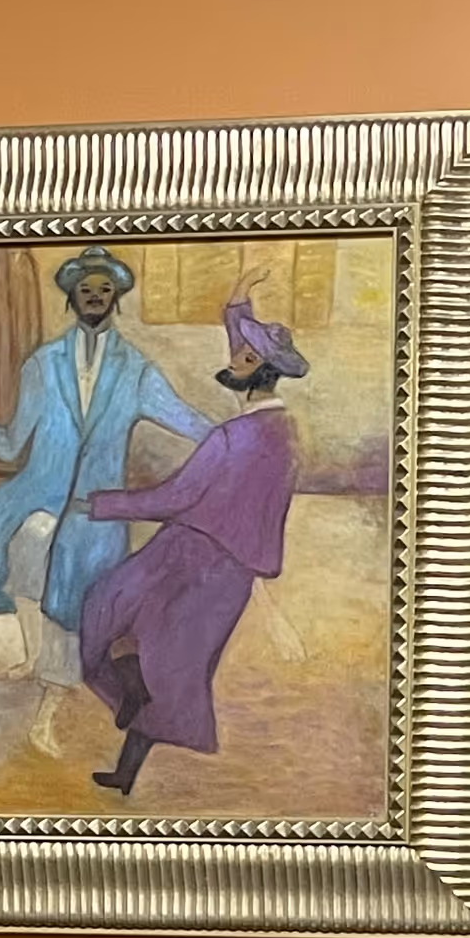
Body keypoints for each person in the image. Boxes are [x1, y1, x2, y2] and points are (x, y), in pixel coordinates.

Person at [0, 248, 214, 757]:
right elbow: (10, 443)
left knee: (72, 605)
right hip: (39, 496)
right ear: (72, 296)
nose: (95, 297)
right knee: (25, 554)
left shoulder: (135, 370)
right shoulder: (43, 364)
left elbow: (185, 419)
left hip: (96, 512)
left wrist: (234, 441)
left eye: (104, 290)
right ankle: (33, 657)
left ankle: (47, 712)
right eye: (87, 290)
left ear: (114, 299)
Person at [78, 292, 306, 796]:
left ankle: (128, 745)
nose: (230, 362)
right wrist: (238, 304)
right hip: (224, 570)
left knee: (122, 629)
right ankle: (130, 707)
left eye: (240, 357)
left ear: (256, 368)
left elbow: (174, 496)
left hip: (191, 561)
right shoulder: (286, 432)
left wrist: (101, 504)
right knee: (157, 656)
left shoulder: (231, 439)